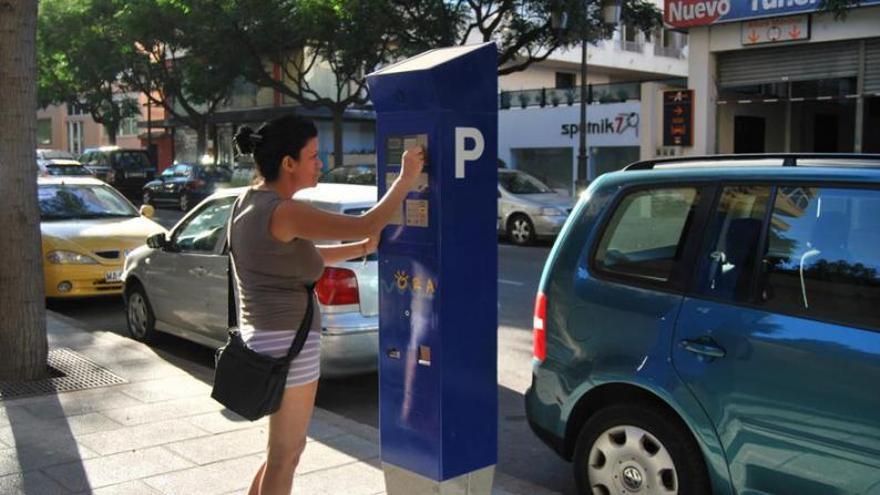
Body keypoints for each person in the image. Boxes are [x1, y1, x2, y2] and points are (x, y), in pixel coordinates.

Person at [230, 114, 424, 495]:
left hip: (267, 339)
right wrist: (406, 179)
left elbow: (298, 259)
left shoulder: (247, 202)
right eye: (314, 156)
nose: (321, 163)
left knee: (283, 452)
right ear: (289, 163)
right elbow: (367, 222)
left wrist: (362, 250)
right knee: (285, 455)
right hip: (289, 344)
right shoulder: (285, 211)